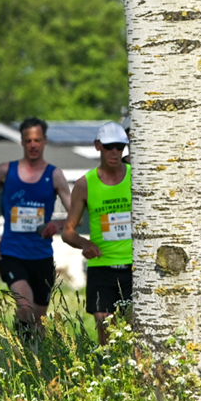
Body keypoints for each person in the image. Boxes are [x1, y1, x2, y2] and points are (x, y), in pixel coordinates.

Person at [0, 117, 72, 335]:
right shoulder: (6, 171)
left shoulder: (54, 175)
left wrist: (58, 223)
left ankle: (31, 360)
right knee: (25, 306)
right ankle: (21, 346)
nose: (33, 145)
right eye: (28, 140)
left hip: (42, 256)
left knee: (39, 322)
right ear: (22, 142)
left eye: (37, 140)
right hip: (12, 253)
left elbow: (77, 215)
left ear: (44, 141)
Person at [61, 122, 133, 345]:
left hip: (134, 266)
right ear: (97, 146)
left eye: (120, 147)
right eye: (109, 146)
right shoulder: (85, 184)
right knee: (104, 325)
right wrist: (85, 245)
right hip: (101, 266)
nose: (114, 152)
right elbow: (68, 232)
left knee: (134, 327)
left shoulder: (138, 176)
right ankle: (108, 370)